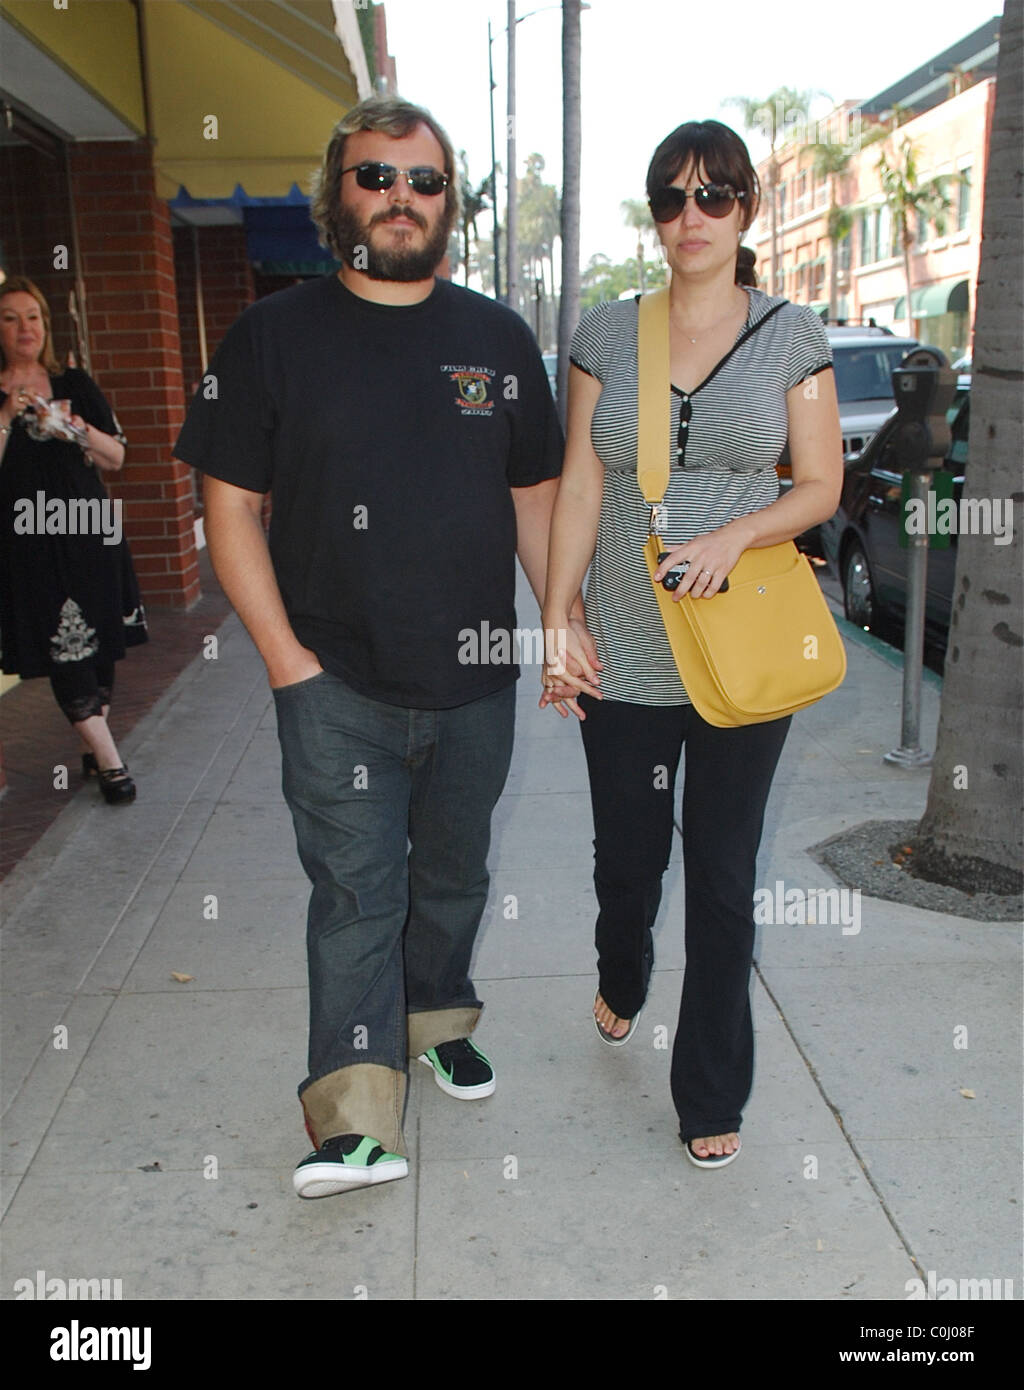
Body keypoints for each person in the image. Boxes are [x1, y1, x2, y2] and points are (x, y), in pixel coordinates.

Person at [175, 96, 580, 1199]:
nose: (400, 198)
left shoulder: (495, 339)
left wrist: (560, 619)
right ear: (335, 195)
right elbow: (229, 507)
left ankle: (438, 1020)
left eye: (424, 180)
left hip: (473, 680)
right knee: (358, 890)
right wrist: (285, 661)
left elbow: (535, 494)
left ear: (447, 203)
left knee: (451, 875)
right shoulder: (270, 338)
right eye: (376, 177)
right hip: (335, 680)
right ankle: (352, 1119)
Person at [540, 120, 843, 1168]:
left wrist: (734, 532)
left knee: (721, 870)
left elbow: (819, 483)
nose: (690, 218)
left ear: (745, 209)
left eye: (713, 197)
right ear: (655, 215)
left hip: (742, 648)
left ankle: (711, 1086)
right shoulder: (608, 335)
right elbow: (582, 481)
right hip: (625, 640)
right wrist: (556, 614)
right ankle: (620, 968)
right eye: (671, 199)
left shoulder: (792, 336)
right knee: (628, 859)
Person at [0, 276, 147, 805]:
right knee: (65, 646)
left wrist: (78, 431)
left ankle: (93, 745)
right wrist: (7, 417)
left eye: (33, 316)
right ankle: (110, 760)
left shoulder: (74, 381)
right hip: (30, 538)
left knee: (100, 641)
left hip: (89, 529)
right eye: (11, 318)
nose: (25, 329)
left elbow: (117, 457)